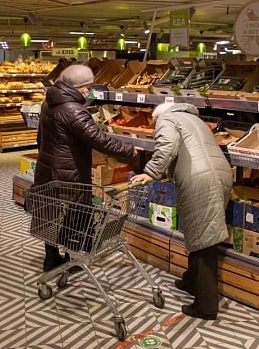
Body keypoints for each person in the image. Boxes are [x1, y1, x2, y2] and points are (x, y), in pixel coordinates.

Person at [131, 103, 232, 320]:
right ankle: (191, 281)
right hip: (220, 174)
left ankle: (206, 306)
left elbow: (167, 144)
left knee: (205, 241)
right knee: (201, 232)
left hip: (199, 179)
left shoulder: (166, 119)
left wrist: (151, 172)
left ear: (157, 116)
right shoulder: (193, 119)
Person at [33, 64, 138, 272]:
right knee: (76, 214)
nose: (88, 91)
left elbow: (40, 136)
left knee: (52, 213)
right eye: (87, 87)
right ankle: (72, 260)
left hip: (48, 167)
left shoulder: (49, 102)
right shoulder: (73, 110)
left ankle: (51, 259)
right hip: (69, 171)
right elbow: (98, 139)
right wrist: (128, 150)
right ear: (78, 87)